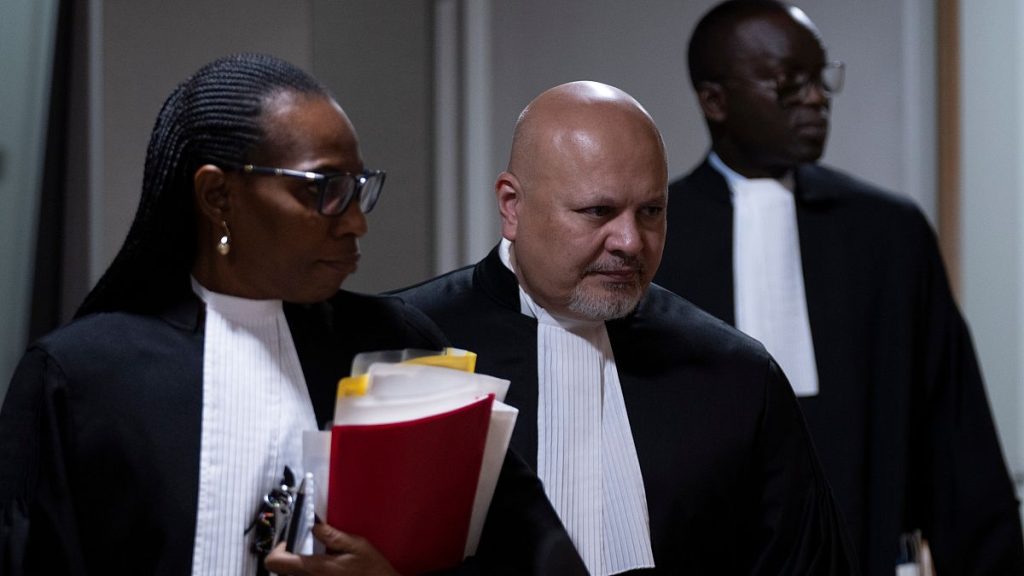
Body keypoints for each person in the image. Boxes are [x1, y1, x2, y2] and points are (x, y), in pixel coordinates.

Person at [0, 53, 583, 576]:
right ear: (218, 198)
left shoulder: (399, 345)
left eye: (358, 188)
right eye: (323, 188)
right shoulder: (81, 380)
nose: (356, 221)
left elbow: (536, 559)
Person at [394, 80, 856, 575]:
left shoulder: (738, 374)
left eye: (651, 211)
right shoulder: (406, 347)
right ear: (512, 205)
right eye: (598, 211)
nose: (631, 241)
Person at [652, 2, 1024, 574]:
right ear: (715, 100)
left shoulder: (887, 232)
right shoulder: (656, 240)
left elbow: (955, 438)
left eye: (822, 78)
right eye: (789, 83)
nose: (817, 98)